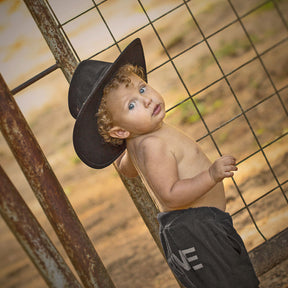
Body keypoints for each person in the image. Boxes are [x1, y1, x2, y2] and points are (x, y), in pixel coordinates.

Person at [68, 38, 259, 288]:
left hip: (195, 230)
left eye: (142, 89)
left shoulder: (138, 143)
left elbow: (127, 168)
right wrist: (210, 175)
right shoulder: (152, 145)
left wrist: (125, 149)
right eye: (132, 105)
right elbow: (170, 196)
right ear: (119, 131)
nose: (146, 100)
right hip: (198, 231)